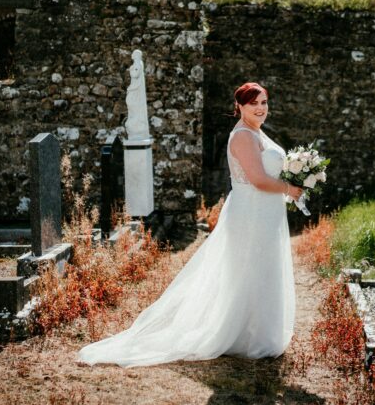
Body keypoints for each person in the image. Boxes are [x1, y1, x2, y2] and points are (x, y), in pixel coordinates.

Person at [76, 82, 301, 367]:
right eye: (253, 103)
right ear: (240, 107)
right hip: (250, 214)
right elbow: (256, 179)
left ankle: (256, 332)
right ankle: (243, 336)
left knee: (261, 269)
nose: (260, 108)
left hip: (264, 213)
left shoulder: (257, 132)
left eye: (264, 102)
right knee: (248, 270)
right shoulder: (243, 136)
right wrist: (289, 189)